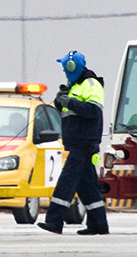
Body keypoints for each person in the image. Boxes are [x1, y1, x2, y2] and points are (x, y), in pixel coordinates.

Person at [38, 51, 109, 236]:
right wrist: (61, 101)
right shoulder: (75, 85)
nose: (63, 70)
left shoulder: (91, 84)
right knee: (87, 186)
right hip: (78, 142)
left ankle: (54, 221)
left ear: (72, 67)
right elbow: (68, 112)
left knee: (67, 181)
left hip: (83, 143)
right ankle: (98, 224)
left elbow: (93, 110)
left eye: (65, 67)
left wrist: (69, 101)